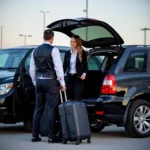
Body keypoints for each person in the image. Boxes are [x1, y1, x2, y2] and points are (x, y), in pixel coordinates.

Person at [29, 29, 66, 143]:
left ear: (43, 37)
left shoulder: (35, 50)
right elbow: (58, 68)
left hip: (39, 81)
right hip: (50, 82)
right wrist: (62, 83)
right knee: (51, 109)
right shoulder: (54, 50)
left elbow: (32, 69)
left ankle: (35, 135)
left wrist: (35, 82)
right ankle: (51, 136)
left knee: (38, 109)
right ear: (52, 38)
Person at [63, 35, 87, 100]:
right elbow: (64, 66)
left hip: (78, 79)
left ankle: (77, 110)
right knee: (68, 98)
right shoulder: (67, 53)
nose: (72, 43)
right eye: (71, 41)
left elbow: (85, 66)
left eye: (74, 42)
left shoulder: (82, 53)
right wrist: (61, 77)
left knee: (77, 98)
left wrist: (84, 74)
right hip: (69, 79)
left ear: (77, 43)